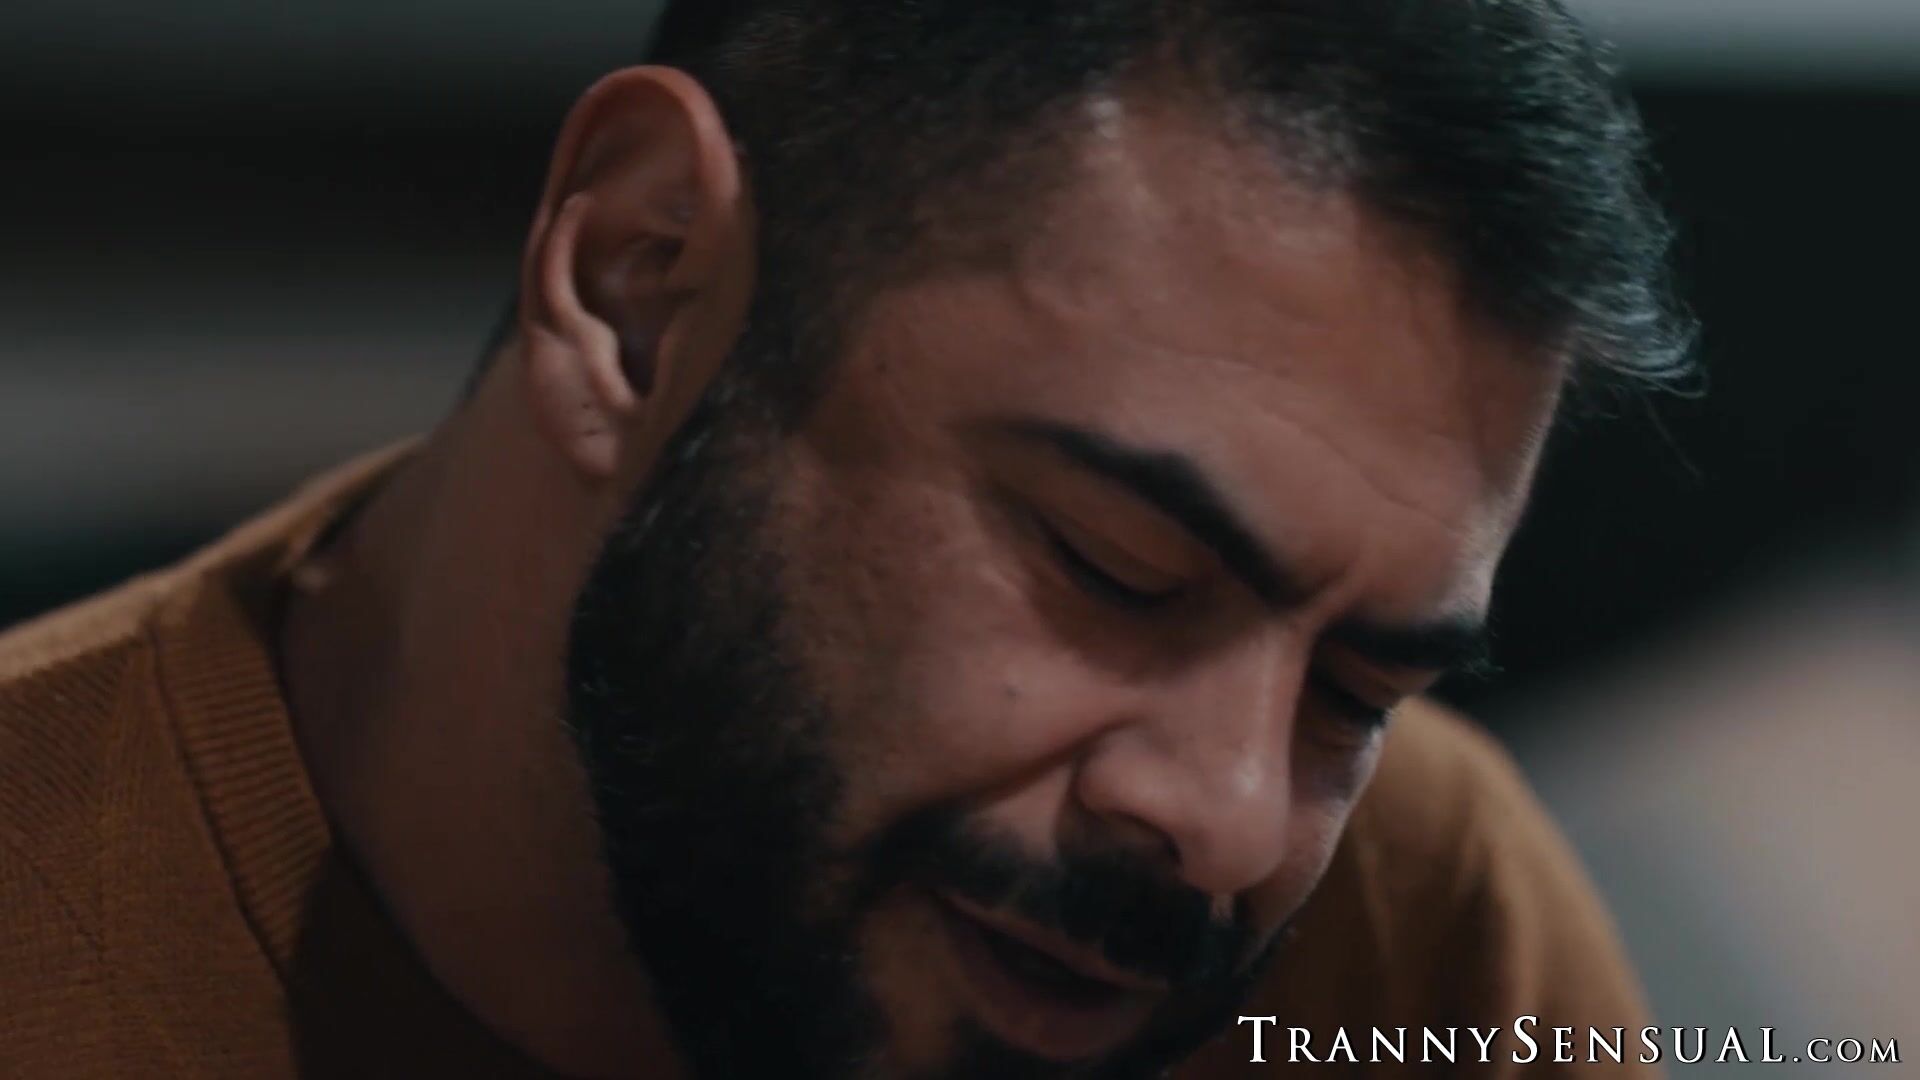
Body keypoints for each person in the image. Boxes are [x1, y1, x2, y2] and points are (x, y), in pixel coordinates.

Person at [0, 1, 1696, 1077]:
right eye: (1115, 568)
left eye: (1355, 695)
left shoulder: (1419, 939)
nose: (1233, 818)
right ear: (639, 288)